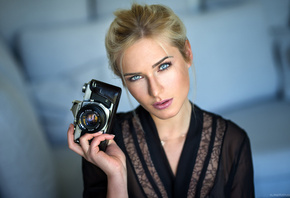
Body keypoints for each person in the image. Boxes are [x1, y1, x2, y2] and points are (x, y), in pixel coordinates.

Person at [67, 3, 255, 198]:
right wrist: (116, 176)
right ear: (123, 80)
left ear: (187, 53)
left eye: (163, 66)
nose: (155, 91)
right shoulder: (102, 141)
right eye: (136, 77)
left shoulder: (233, 142)